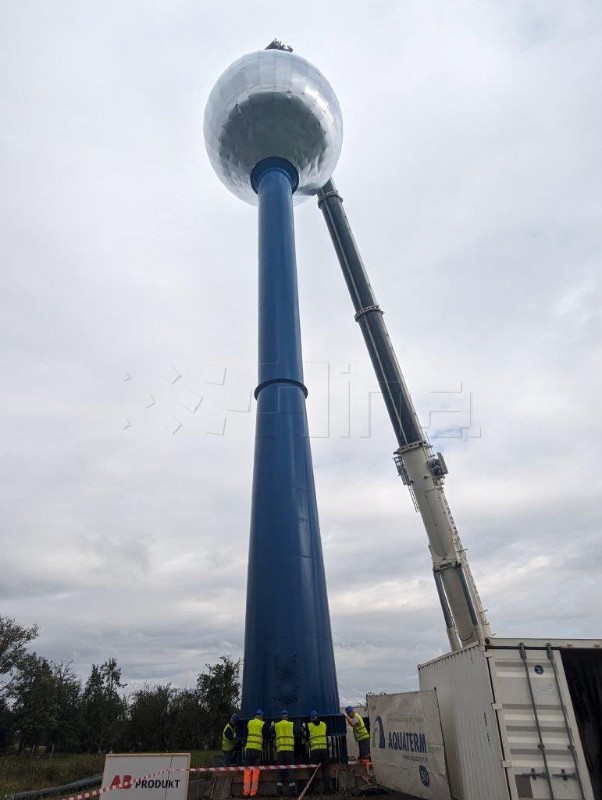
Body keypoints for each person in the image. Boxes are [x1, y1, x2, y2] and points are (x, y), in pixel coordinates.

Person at [244, 709, 268, 798]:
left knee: (247, 770)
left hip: (249, 749)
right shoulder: (262, 724)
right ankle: (253, 793)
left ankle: (246, 792)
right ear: (261, 717)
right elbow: (266, 736)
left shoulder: (249, 722)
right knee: (256, 771)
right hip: (257, 750)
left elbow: (246, 734)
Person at [306, 710, 331, 794]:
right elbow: (328, 733)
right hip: (324, 750)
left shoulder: (309, 726)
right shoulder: (324, 725)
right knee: (325, 770)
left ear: (311, 718)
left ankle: (312, 790)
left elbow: (306, 737)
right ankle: (327, 790)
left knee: (313, 771)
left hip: (314, 751)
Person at [273, 709, 296, 797]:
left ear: (281, 717)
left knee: (280, 771)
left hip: (280, 751)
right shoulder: (291, 724)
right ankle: (292, 792)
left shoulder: (277, 725)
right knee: (291, 770)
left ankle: (278, 792)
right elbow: (297, 733)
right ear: (287, 716)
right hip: (289, 751)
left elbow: (272, 732)